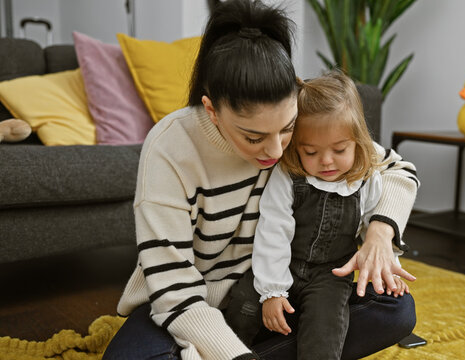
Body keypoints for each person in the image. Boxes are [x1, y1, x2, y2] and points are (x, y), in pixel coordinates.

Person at [102, 0, 419, 359]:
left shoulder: (299, 116)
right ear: (212, 110)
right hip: (193, 300)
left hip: (284, 286)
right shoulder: (171, 148)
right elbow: (174, 290)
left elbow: (395, 169)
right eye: (254, 138)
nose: (275, 150)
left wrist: (380, 232)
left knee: (397, 310)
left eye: (286, 131)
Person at [224, 70, 412, 360]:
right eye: (310, 152)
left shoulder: (367, 177)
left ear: (358, 142)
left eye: (339, 149)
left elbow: (373, 226)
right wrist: (272, 291)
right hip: (284, 264)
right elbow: (273, 232)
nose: (325, 161)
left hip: (331, 275)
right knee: (243, 306)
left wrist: (388, 268)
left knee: (326, 333)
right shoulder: (287, 176)